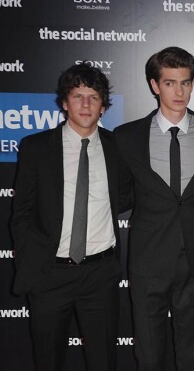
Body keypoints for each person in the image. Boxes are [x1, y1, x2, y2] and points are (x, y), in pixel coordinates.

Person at [11, 62, 127, 371]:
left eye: (93, 96)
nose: (86, 104)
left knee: (103, 361)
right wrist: (33, 263)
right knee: (48, 361)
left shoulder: (119, 148)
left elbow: (129, 196)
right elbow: (20, 213)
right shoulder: (35, 148)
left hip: (100, 274)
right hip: (50, 274)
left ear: (104, 105)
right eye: (78, 96)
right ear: (65, 102)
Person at [114, 47, 194, 371]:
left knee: (191, 354)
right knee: (148, 354)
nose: (179, 92)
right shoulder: (127, 136)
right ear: (154, 85)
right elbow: (122, 192)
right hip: (148, 261)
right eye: (171, 83)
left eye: (186, 83)